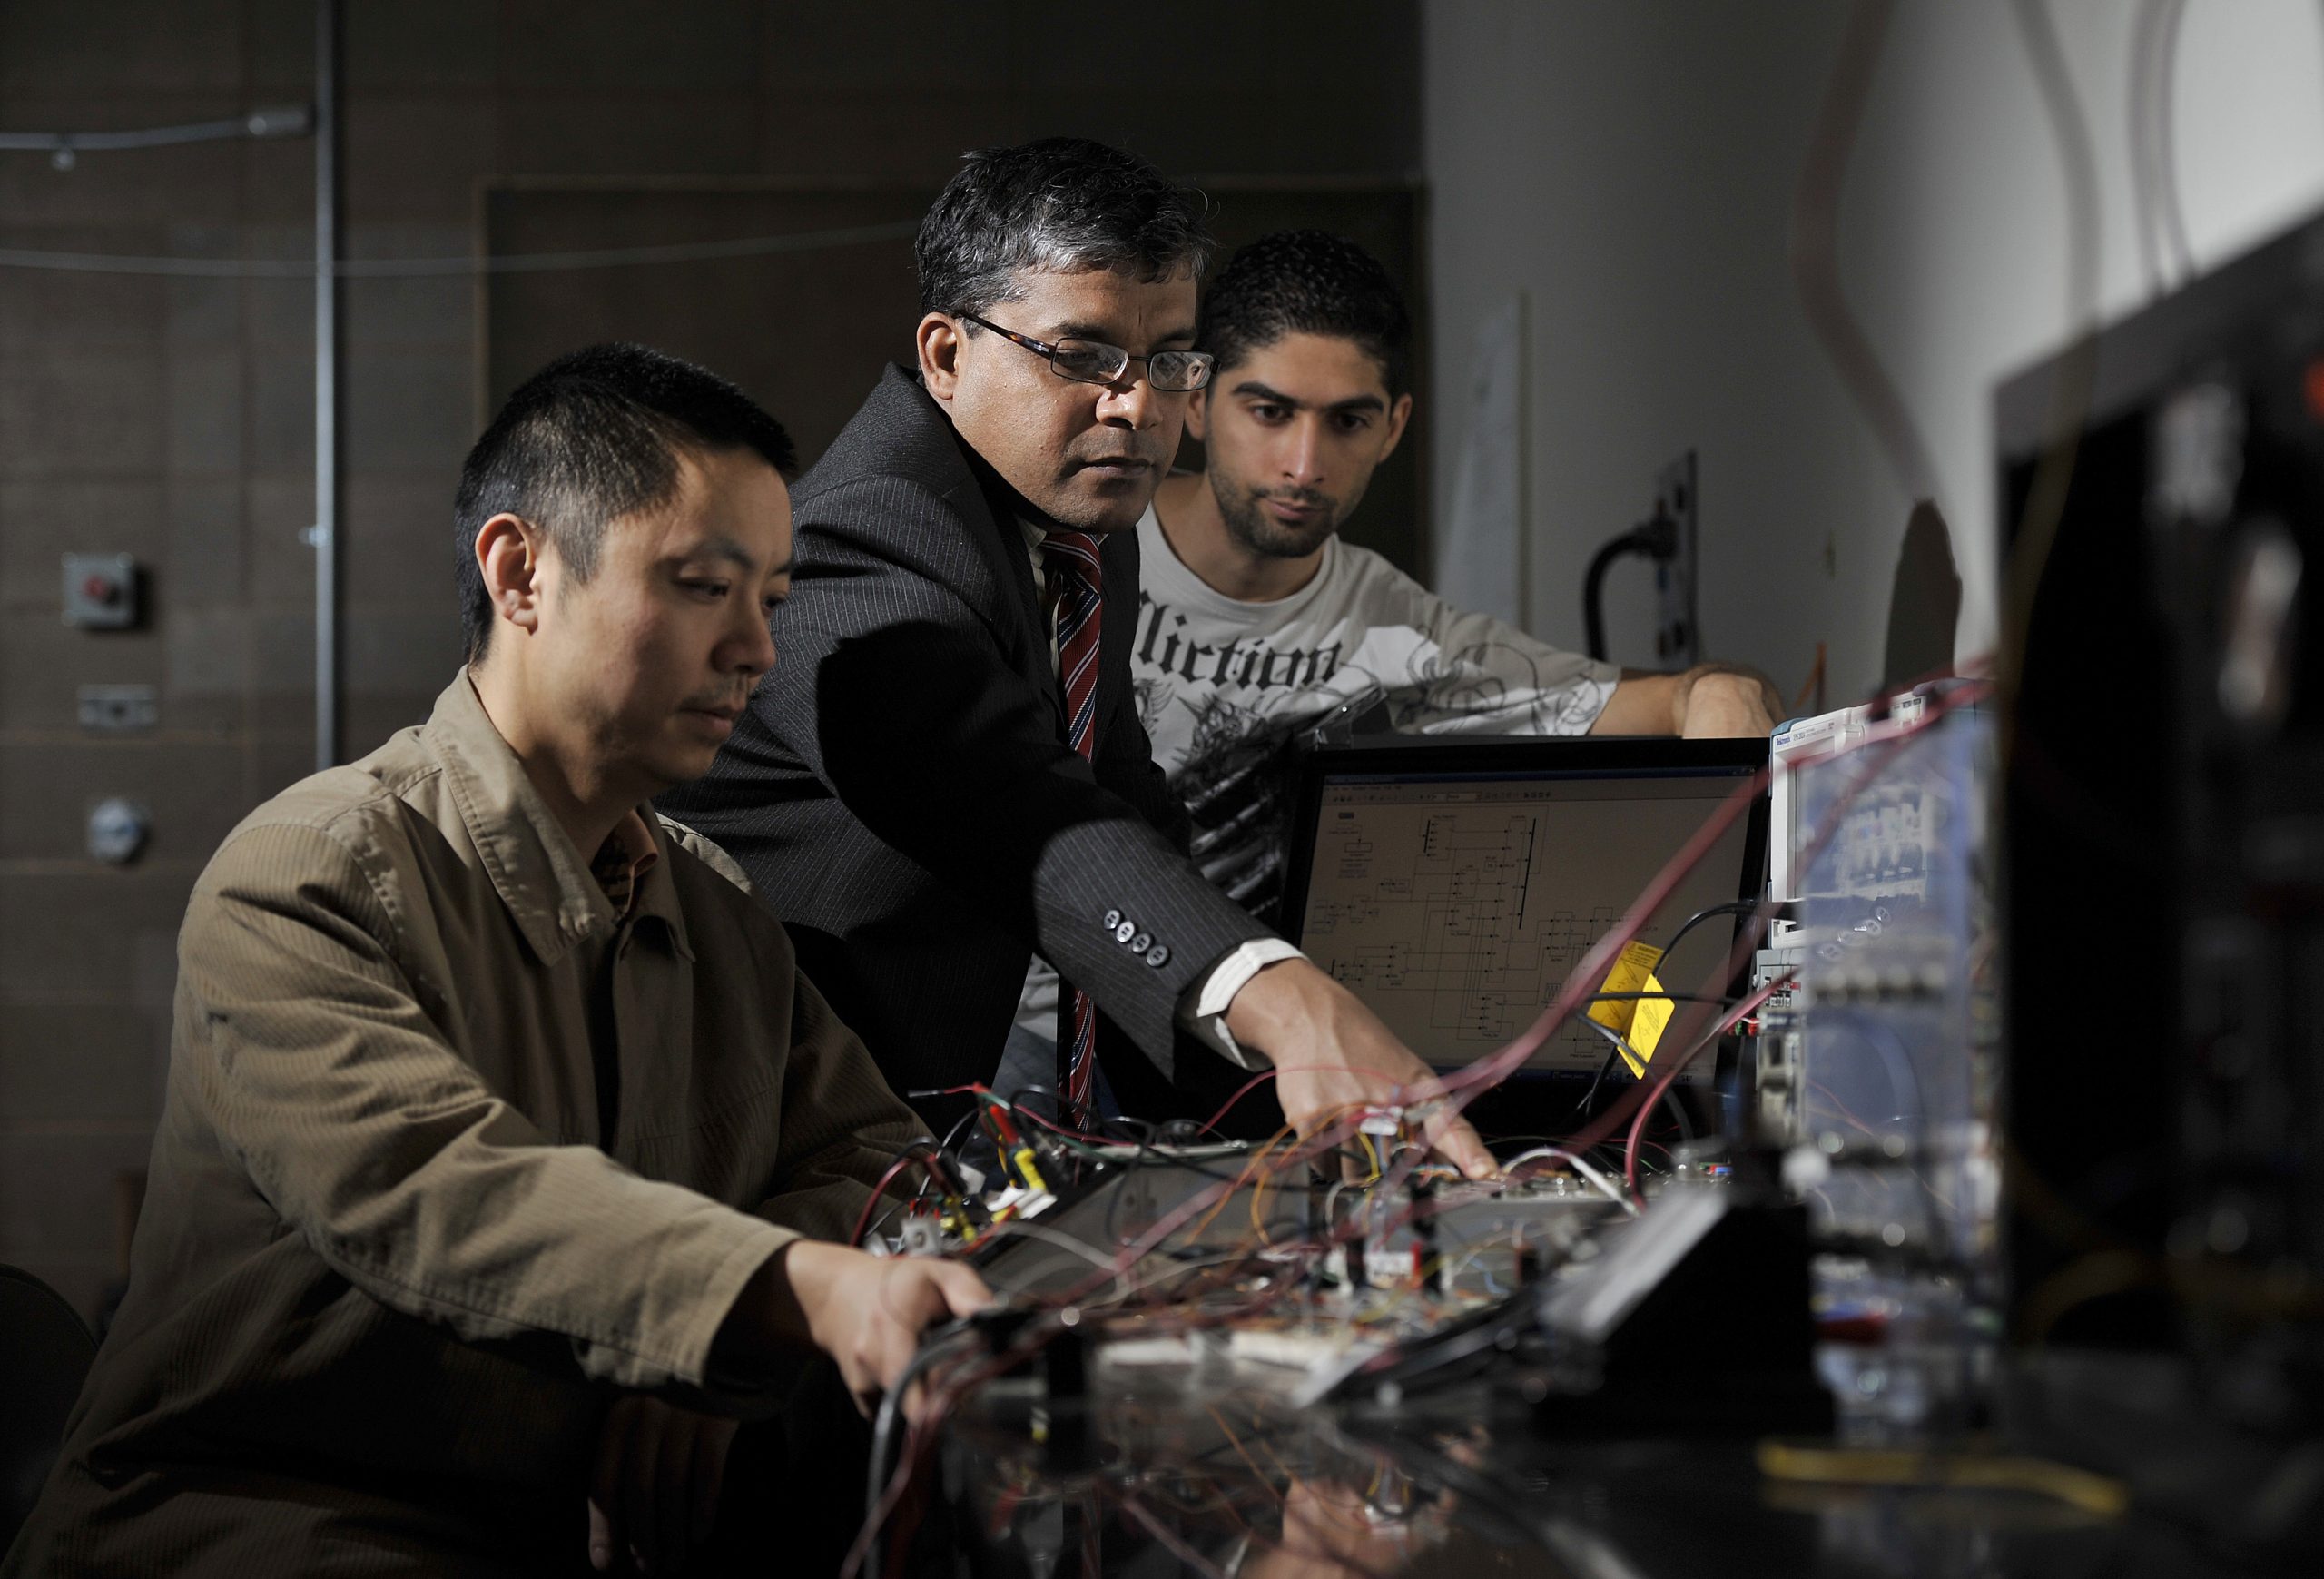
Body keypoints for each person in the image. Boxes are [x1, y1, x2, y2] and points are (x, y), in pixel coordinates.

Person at [4, 345, 989, 1579]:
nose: (757, 653)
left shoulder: (708, 901)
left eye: (772, 602)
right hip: (266, 1514)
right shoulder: (310, 871)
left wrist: (721, 1355)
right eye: (700, 585)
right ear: (521, 571)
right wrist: (772, 1288)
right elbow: (438, 1188)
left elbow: (877, 1160)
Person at [659, 140, 1493, 1175]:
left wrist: (1277, 1132)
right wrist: (1282, 998)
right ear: (946, 354)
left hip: (941, 1135)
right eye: (1082, 355)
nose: (1138, 407)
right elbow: (1015, 803)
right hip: (761, 1153)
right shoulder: (859, 538)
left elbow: (1127, 812)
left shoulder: (1088, 526)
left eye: (1170, 360)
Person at [1007, 231, 1780, 1072]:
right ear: (1196, 401)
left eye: (1347, 421)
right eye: (1269, 412)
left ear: (1394, 427)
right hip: (1024, 1039)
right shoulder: (1076, 550)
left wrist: (1728, 712)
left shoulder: (1403, 634)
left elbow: (1681, 698)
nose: (1305, 464)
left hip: (1233, 1067)